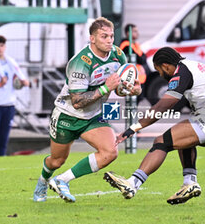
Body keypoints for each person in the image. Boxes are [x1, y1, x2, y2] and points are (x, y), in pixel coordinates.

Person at [103, 47, 205, 205]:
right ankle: (189, 183)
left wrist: (132, 129)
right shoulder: (195, 66)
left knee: (162, 142)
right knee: (182, 139)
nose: (160, 75)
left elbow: (162, 107)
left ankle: (132, 184)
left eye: (159, 70)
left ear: (166, 66)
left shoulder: (182, 72)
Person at [33, 17, 142, 203]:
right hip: (67, 116)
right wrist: (106, 88)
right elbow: (77, 101)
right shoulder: (80, 62)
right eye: (103, 36)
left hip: (93, 116)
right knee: (57, 161)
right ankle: (43, 180)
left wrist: (132, 89)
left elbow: (118, 88)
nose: (109, 40)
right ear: (92, 38)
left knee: (110, 151)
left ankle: (62, 180)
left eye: (111, 36)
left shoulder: (118, 55)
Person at [119, 23, 150, 103]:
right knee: (131, 102)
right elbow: (140, 59)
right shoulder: (126, 45)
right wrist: (141, 58)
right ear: (128, 33)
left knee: (137, 101)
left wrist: (142, 58)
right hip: (131, 79)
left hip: (140, 78)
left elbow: (143, 58)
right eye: (135, 31)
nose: (137, 33)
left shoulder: (135, 44)